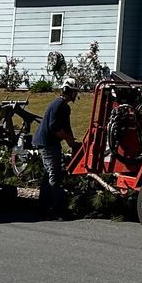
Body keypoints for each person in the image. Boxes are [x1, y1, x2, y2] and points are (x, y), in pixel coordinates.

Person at [34, 83, 80, 215]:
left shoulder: (63, 107)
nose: (76, 95)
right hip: (48, 143)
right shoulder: (59, 105)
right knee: (54, 175)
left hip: (50, 143)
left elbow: (66, 127)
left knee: (48, 174)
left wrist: (73, 142)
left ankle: (42, 206)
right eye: (75, 91)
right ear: (68, 91)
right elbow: (54, 127)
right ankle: (57, 209)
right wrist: (68, 139)